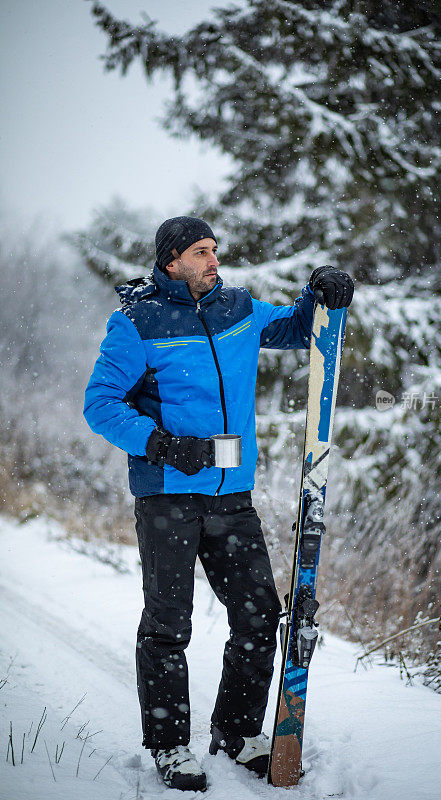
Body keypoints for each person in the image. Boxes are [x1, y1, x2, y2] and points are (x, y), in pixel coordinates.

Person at [84, 216, 354, 791]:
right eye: (200, 252)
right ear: (171, 259)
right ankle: (171, 747)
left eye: (214, 250)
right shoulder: (136, 322)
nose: (213, 260)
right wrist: (161, 444)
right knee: (167, 625)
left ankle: (235, 733)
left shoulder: (237, 308)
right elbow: (100, 404)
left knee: (258, 615)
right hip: (168, 498)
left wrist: (320, 292)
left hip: (232, 496)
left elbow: (299, 327)